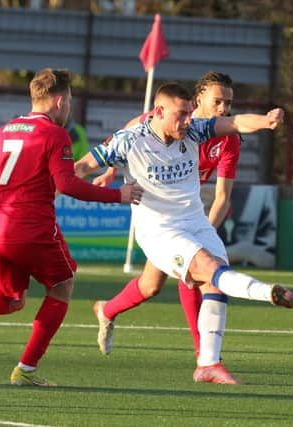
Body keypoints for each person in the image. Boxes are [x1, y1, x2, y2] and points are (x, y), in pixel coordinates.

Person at [0, 68, 144, 387]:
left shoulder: (5, 130)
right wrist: (117, 195)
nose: (68, 108)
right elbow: (66, 185)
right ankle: (26, 369)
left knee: (12, 299)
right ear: (57, 101)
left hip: (0, 226)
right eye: (68, 101)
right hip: (34, 227)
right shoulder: (54, 134)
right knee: (63, 284)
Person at [75, 82, 293, 385]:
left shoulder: (195, 129)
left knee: (193, 285)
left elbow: (234, 123)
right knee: (208, 268)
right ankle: (267, 293)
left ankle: (207, 364)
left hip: (195, 222)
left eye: (189, 113)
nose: (187, 121)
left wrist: (266, 121)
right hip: (159, 229)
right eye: (181, 114)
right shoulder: (131, 140)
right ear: (159, 112)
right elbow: (83, 166)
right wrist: (47, 180)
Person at [92, 71, 242, 359]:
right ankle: (205, 354)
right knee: (192, 274)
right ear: (199, 100)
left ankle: (106, 309)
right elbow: (129, 131)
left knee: (151, 286)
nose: (225, 109)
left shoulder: (226, 139)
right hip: (156, 212)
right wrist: (111, 169)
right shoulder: (171, 117)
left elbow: (222, 197)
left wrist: (200, 236)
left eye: (229, 103)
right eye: (218, 101)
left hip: (185, 216)